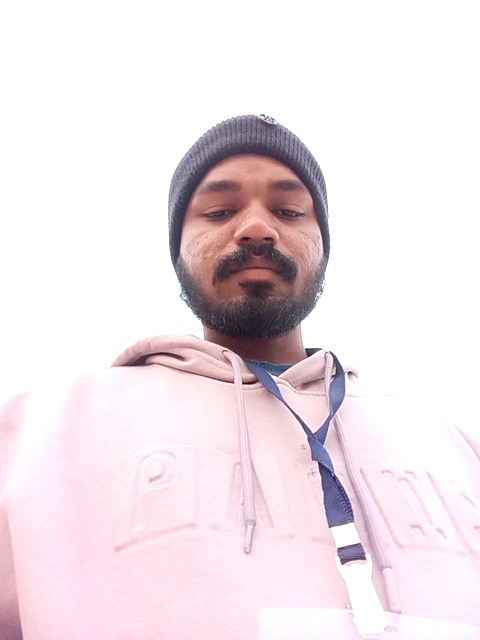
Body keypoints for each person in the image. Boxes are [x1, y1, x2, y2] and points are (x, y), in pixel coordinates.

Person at [0, 114, 479, 640]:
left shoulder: (455, 443)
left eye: (289, 211)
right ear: (177, 250)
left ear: (323, 244)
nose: (256, 228)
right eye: (219, 211)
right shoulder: (38, 433)